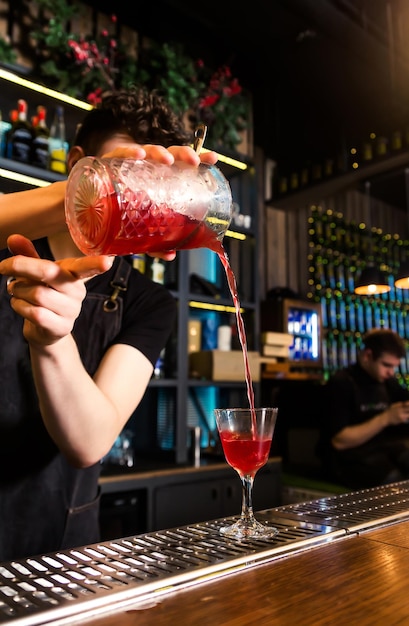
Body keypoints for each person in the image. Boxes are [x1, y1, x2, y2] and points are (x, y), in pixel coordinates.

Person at [0, 87, 218, 561]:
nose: (133, 194)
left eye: (148, 183)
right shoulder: (9, 241)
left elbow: (92, 440)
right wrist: (88, 194)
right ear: (79, 162)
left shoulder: (148, 301)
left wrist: (53, 340)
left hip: (60, 547)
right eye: (123, 171)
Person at [318, 328, 409, 489]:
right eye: (387, 365)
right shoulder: (342, 383)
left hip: (383, 450)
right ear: (368, 356)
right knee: (398, 486)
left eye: (394, 367)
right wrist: (386, 418)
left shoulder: (387, 381)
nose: (391, 372)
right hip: (348, 460)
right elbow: (340, 441)